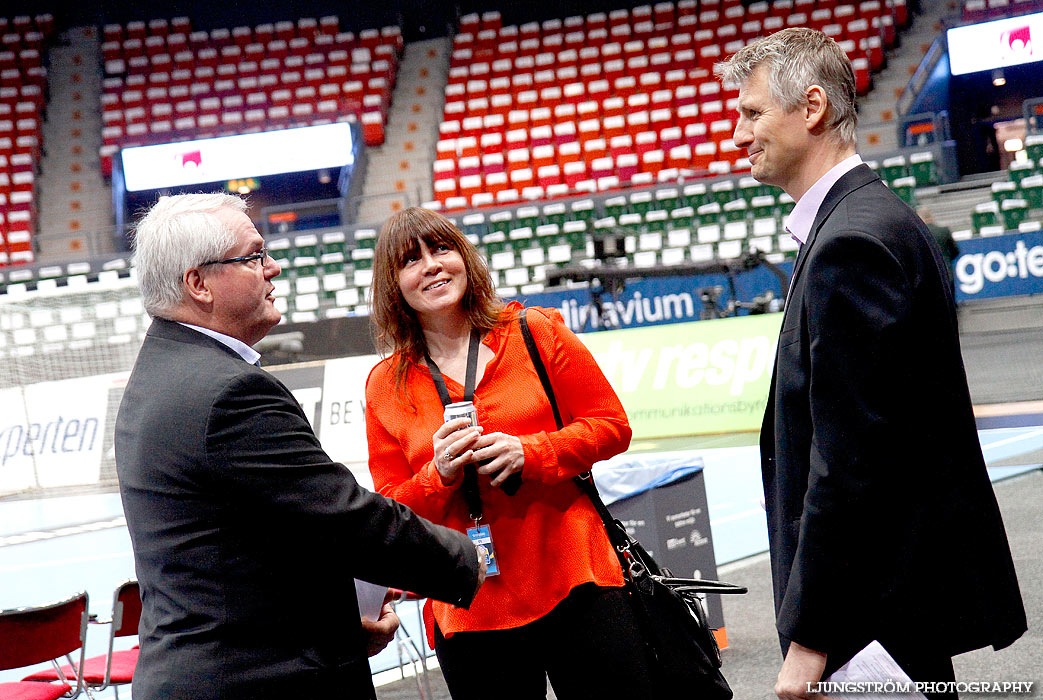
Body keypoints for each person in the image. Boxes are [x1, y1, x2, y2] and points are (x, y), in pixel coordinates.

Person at [715, 28, 1026, 700]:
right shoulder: (870, 220)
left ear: (812, 108)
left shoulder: (849, 241)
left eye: (751, 113)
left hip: (869, 620)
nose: (737, 135)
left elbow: (852, 462)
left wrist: (809, 639)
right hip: (893, 599)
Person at [115, 194, 484, 700]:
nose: (273, 267)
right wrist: (464, 559)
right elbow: (341, 517)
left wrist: (334, 625)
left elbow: (248, 548)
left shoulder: (161, 372)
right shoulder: (229, 392)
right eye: (253, 257)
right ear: (198, 284)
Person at [364, 206, 654, 700]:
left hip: (577, 579)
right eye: (410, 260)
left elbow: (611, 427)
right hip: (470, 604)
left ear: (465, 259)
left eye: (441, 249)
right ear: (394, 286)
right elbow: (392, 509)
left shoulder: (534, 332)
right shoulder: (385, 386)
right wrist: (439, 474)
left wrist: (533, 452)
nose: (431, 265)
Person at [917, 206, 960, 296]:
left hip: (928, 276)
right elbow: (955, 251)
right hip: (946, 271)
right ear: (931, 217)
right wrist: (946, 259)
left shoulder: (919, 233)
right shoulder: (944, 231)